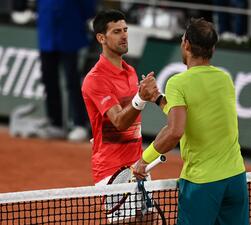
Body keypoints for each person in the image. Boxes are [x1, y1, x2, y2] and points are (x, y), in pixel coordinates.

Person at [134, 18, 249, 225]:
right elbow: (194, 114)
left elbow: (175, 131)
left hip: (202, 183)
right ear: (212, 48)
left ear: (186, 44)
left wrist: (144, 159)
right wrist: (158, 99)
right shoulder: (224, 79)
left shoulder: (178, 82)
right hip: (236, 179)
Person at [81, 9, 159, 223]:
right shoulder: (95, 79)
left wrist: (153, 96)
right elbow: (119, 122)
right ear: (101, 38)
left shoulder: (131, 71)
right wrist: (141, 98)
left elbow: (129, 113)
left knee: (149, 220)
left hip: (138, 165)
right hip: (112, 171)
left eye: (125, 30)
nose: (124, 35)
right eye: (117, 31)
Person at [37, 0, 95, 141]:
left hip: (70, 32)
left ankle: (79, 123)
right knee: (49, 79)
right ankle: (55, 123)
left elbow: (88, 7)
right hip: (47, 31)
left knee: (73, 81)